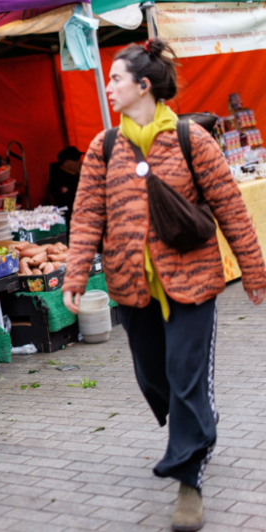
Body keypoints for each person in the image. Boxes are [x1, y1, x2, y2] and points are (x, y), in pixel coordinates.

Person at [62, 38, 266, 532]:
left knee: (185, 375)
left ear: (143, 84)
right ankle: (197, 432)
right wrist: (74, 271)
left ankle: (189, 480)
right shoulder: (102, 147)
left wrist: (254, 270)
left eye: (115, 79)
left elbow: (230, 208)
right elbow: (87, 214)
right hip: (133, 286)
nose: (108, 86)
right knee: (155, 377)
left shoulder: (193, 140)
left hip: (192, 283)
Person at [47, 146, 83, 230]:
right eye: (76, 160)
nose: (80, 162)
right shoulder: (58, 180)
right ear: (66, 163)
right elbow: (67, 204)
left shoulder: (78, 175)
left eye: (79, 158)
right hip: (70, 224)